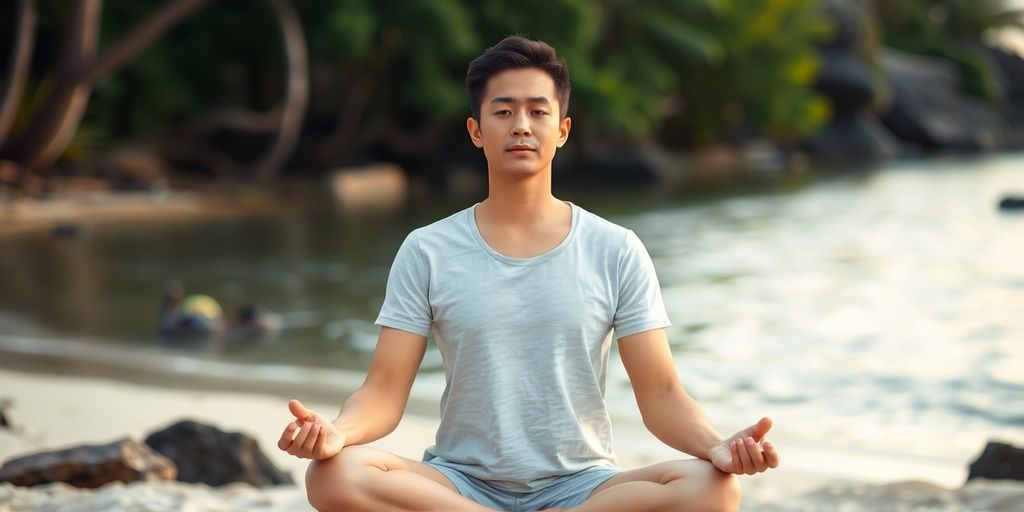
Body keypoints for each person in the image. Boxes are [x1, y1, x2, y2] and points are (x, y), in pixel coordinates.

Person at [278, 35, 780, 512]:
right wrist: (338, 431)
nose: (521, 124)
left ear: (562, 130)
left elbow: (662, 394)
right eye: (503, 111)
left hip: (583, 485)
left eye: (538, 111)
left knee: (713, 490)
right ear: (477, 131)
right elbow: (384, 390)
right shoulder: (427, 249)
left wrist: (717, 446)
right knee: (331, 475)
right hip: (459, 482)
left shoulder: (615, 249)